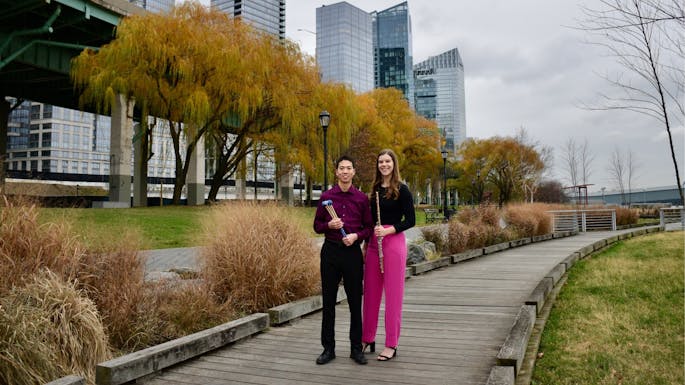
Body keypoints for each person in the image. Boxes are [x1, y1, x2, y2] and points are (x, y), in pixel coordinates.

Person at [313, 155, 374, 365]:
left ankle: (356, 349)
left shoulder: (361, 199)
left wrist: (356, 236)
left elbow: (368, 228)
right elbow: (317, 226)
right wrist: (329, 226)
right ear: (337, 172)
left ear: (353, 172)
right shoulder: (326, 197)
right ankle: (328, 349)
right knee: (328, 302)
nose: (345, 171)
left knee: (355, 302)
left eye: (349, 168)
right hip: (330, 252)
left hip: (352, 254)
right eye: (342, 168)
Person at [362, 149, 415, 361]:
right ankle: (367, 338)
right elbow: (369, 221)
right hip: (374, 244)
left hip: (393, 243)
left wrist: (389, 229)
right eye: (381, 161)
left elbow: (410, 220)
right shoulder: (374, 189)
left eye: (388, 161)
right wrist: (366, 245)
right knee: (371, 295)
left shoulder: (402, 190)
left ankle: (391, 343)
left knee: (393, 296)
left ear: (394, 164)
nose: (384, 165)